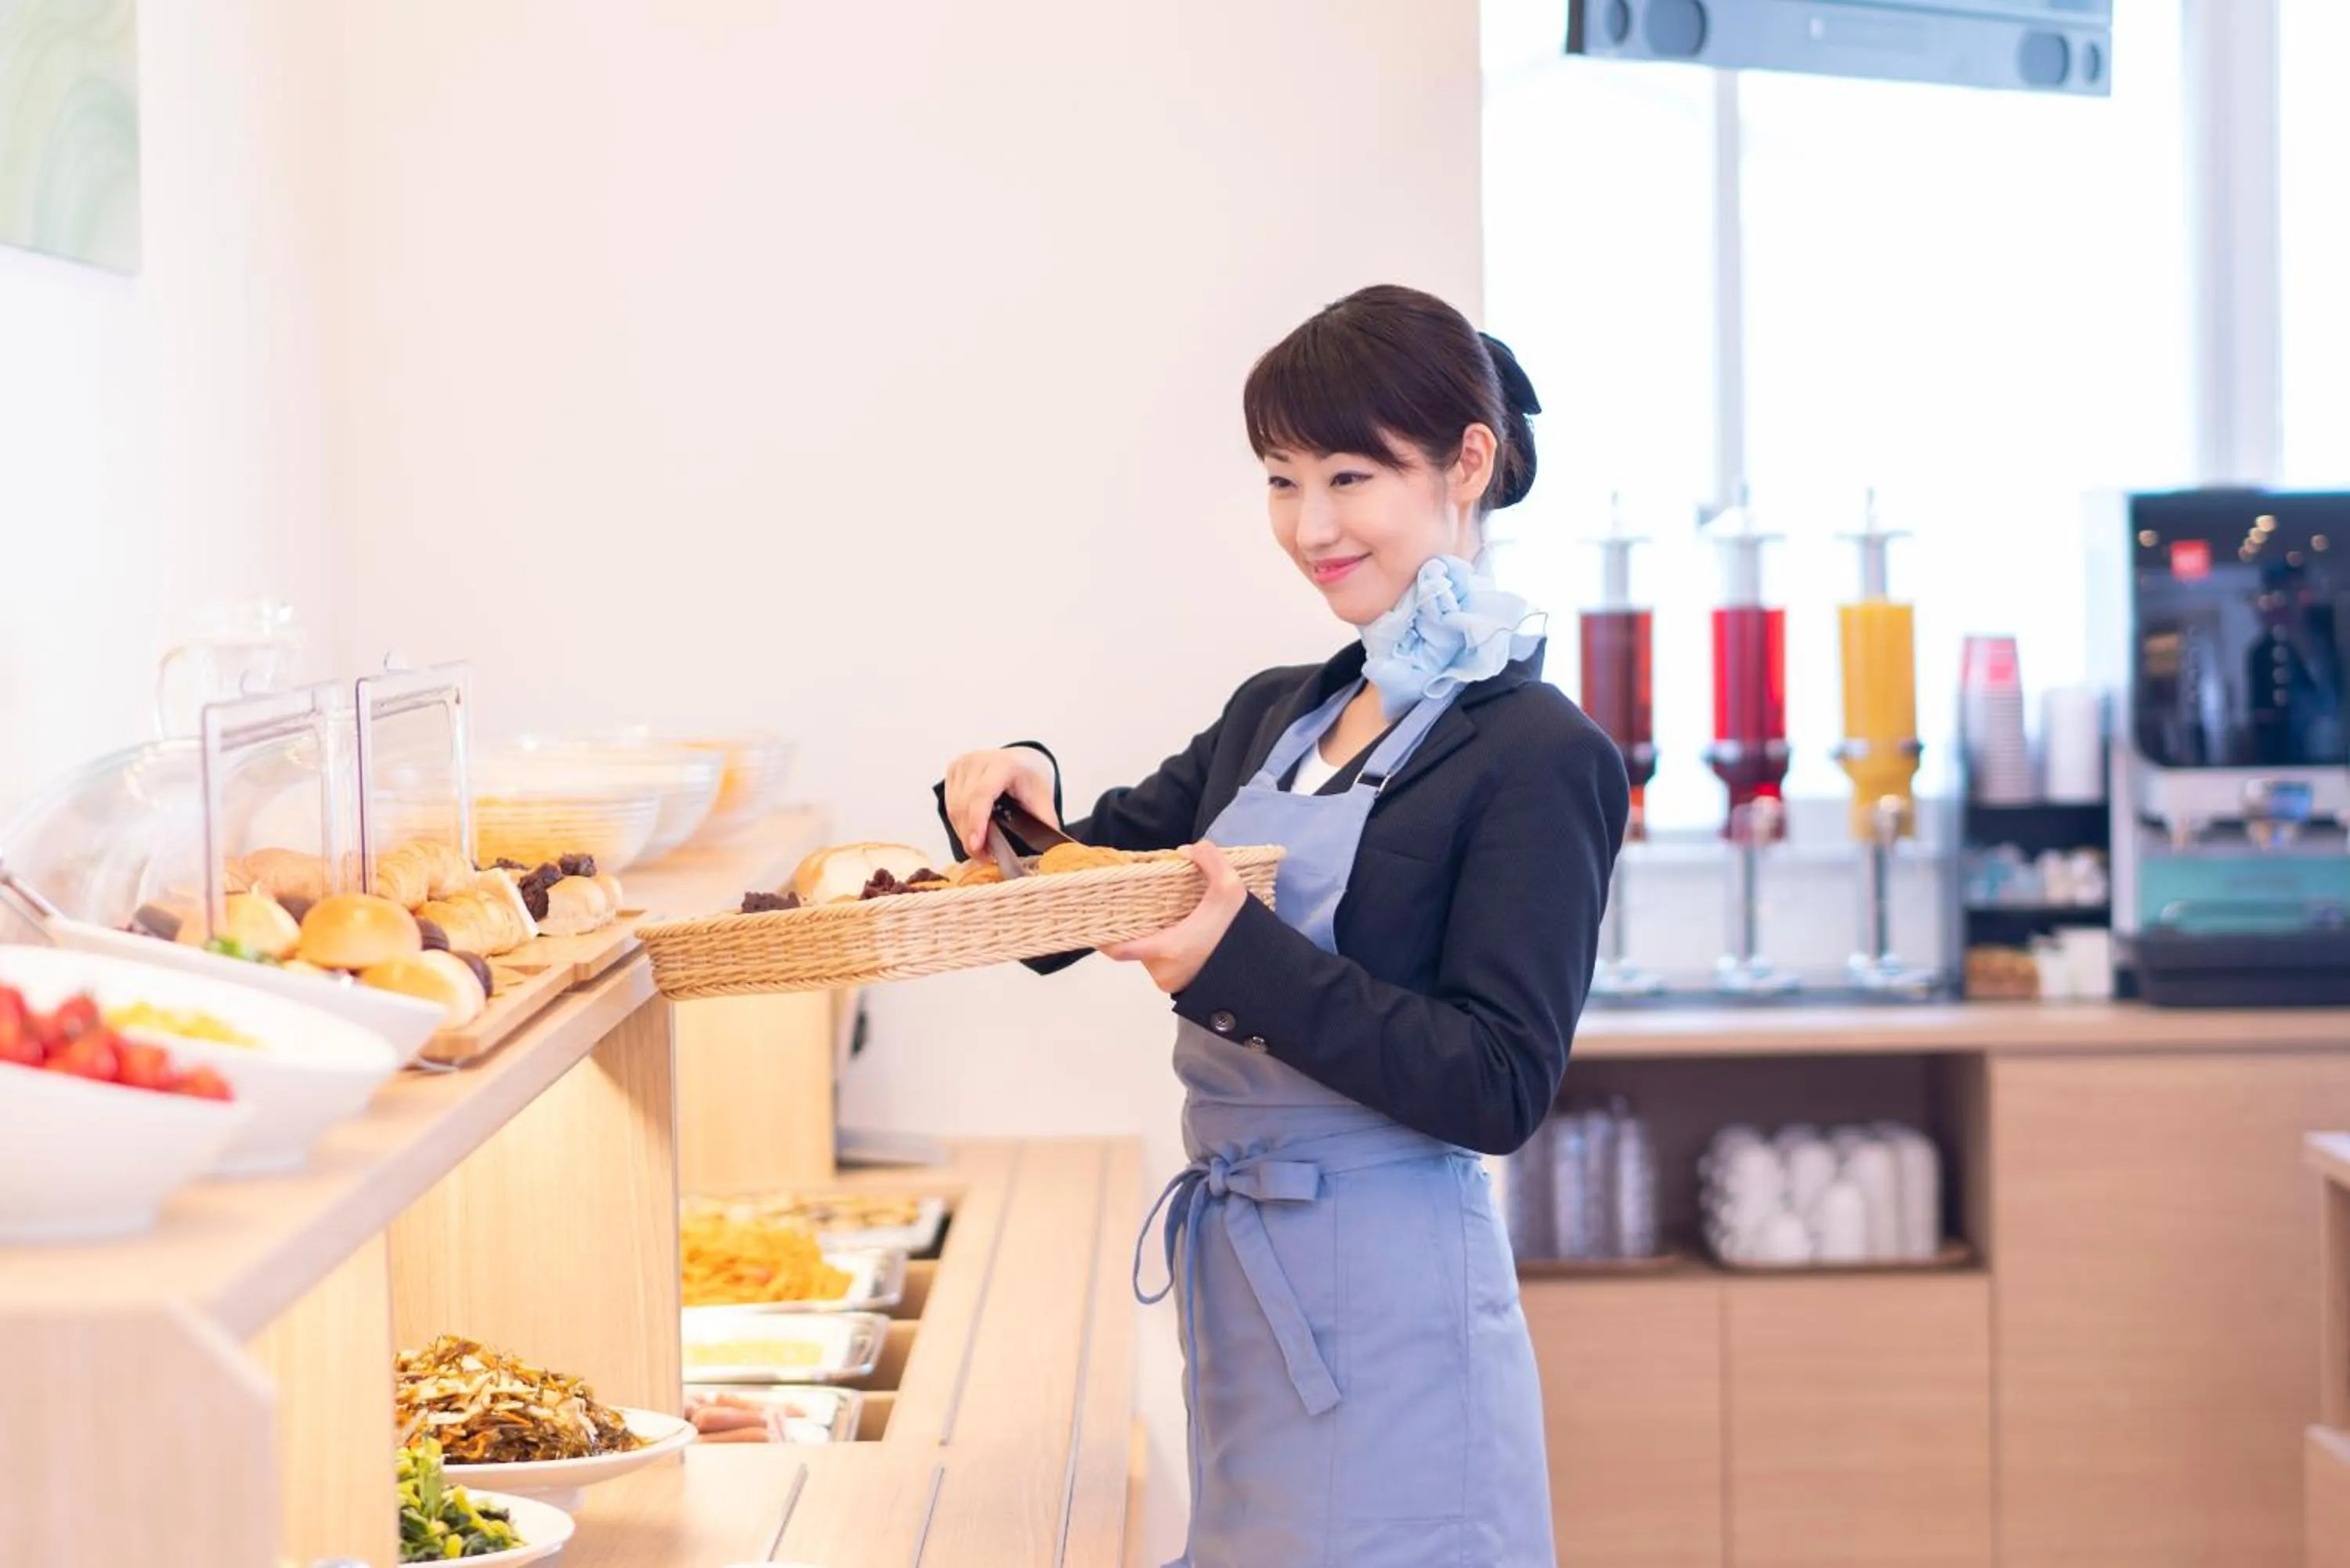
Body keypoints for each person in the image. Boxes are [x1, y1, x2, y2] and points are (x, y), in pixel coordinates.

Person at [938, 284, 1629, 1568]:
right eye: (1279, 480)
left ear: (1465, 464)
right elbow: (1071, 896)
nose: (1309, 526)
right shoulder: (1275, 715)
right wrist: (1014, 798)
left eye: (1350, 476)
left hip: (1399, 1311)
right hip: (1249, 1292)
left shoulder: (1539, 753)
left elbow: (1498, 1082)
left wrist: (1235, 963)